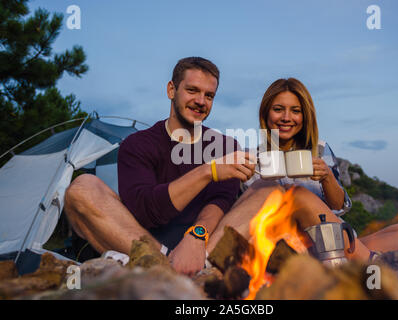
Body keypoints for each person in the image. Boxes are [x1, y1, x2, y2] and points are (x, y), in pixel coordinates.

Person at [64, 57, 256, 276]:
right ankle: (161, 262)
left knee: (268, 190)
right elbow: (146, 211)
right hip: (143, 243)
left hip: (205, 246)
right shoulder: (138, 144)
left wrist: (196, 236)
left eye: (209, 95)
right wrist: (207, 171)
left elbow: (220, 201)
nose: (201, 101)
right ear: (171, 90)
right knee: (81, 188)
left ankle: (200, 266)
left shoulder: (225, 147)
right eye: (192, 90)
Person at [207, 78, 398, 261]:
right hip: (286, 251)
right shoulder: (251, 158)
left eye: (295, 110)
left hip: (332, 241)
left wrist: (326, 178)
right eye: (278, 109)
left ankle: (357, 259)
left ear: (305, 116)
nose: (286, 117)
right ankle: (370, 263)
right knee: (297, 195)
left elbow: (338, 207)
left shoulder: (319, 150)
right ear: (266, 114)